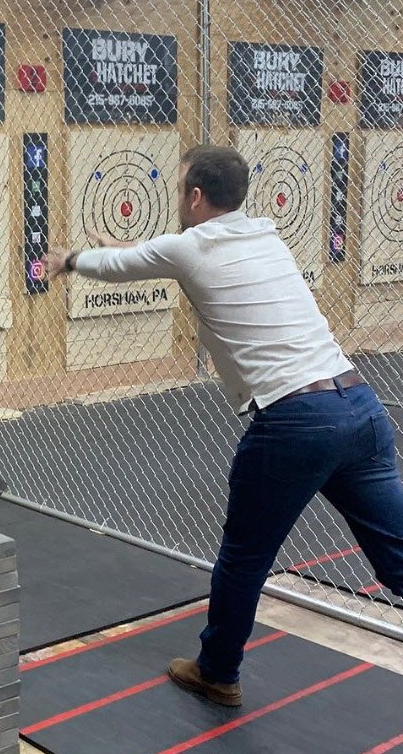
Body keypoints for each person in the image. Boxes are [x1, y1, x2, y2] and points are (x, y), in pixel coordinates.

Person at [45, 144, 403, 707]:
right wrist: (135, 251)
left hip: (294, 422)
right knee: (397, 556)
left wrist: (68, 260)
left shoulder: (188, 247)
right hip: (359, 406)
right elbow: (158, 255)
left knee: (243, 558)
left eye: (181, 189)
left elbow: (120, 266)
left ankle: (217, 672)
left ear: (193, 195)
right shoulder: (265, 235)